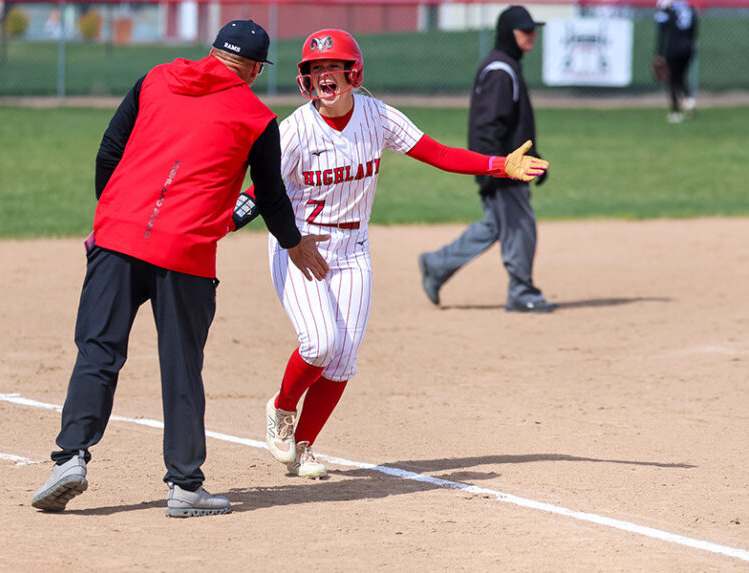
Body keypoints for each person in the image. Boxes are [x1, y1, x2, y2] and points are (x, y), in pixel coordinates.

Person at [31, 20, 329, 518]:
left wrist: (110, 218)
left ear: (211, 51)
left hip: (118, 236)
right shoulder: (257, 118)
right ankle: (185, 487)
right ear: (255, 69)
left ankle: (69, 459)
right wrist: (294, 244)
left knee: (98, 352)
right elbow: (272, 197)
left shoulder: (155, 77)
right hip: (186, 253)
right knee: (181, 368)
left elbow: (109, 151)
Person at [248, 28, 547, 479]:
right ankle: (282, 407)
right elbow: (259, 190)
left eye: (332, 67)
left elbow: (437, 153)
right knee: (320, 343)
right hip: (301, 245)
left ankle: (305, 446)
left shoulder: (377, 116)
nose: (324, 75)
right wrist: (214, 223)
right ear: (304, 79)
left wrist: (499, 164)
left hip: (353, 248)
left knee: (344, 357)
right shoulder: (294, 130)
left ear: (354, 73)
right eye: (314, 69)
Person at [418, 5, 558, 313]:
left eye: (533, 29)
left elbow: (508, 126)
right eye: (525, 30)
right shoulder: (500, 70)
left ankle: (436, 265)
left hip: (506, 164)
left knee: (496, 225)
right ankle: (522, 292)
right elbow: (487, 128)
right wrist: (494, 170)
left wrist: (533, 158)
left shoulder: (505, 65)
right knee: (520, 225)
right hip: (503, 169)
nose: (532, 35)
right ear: (509, 33)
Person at [654, 0, 698, 123]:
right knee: (681, 77)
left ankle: (676, 111)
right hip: (688, 48)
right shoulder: (689, 8)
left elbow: (662, 33)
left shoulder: (667, 11)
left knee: (672, 79)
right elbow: (694, 31)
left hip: (673, 48)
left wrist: (659, 53)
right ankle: (689, 99)